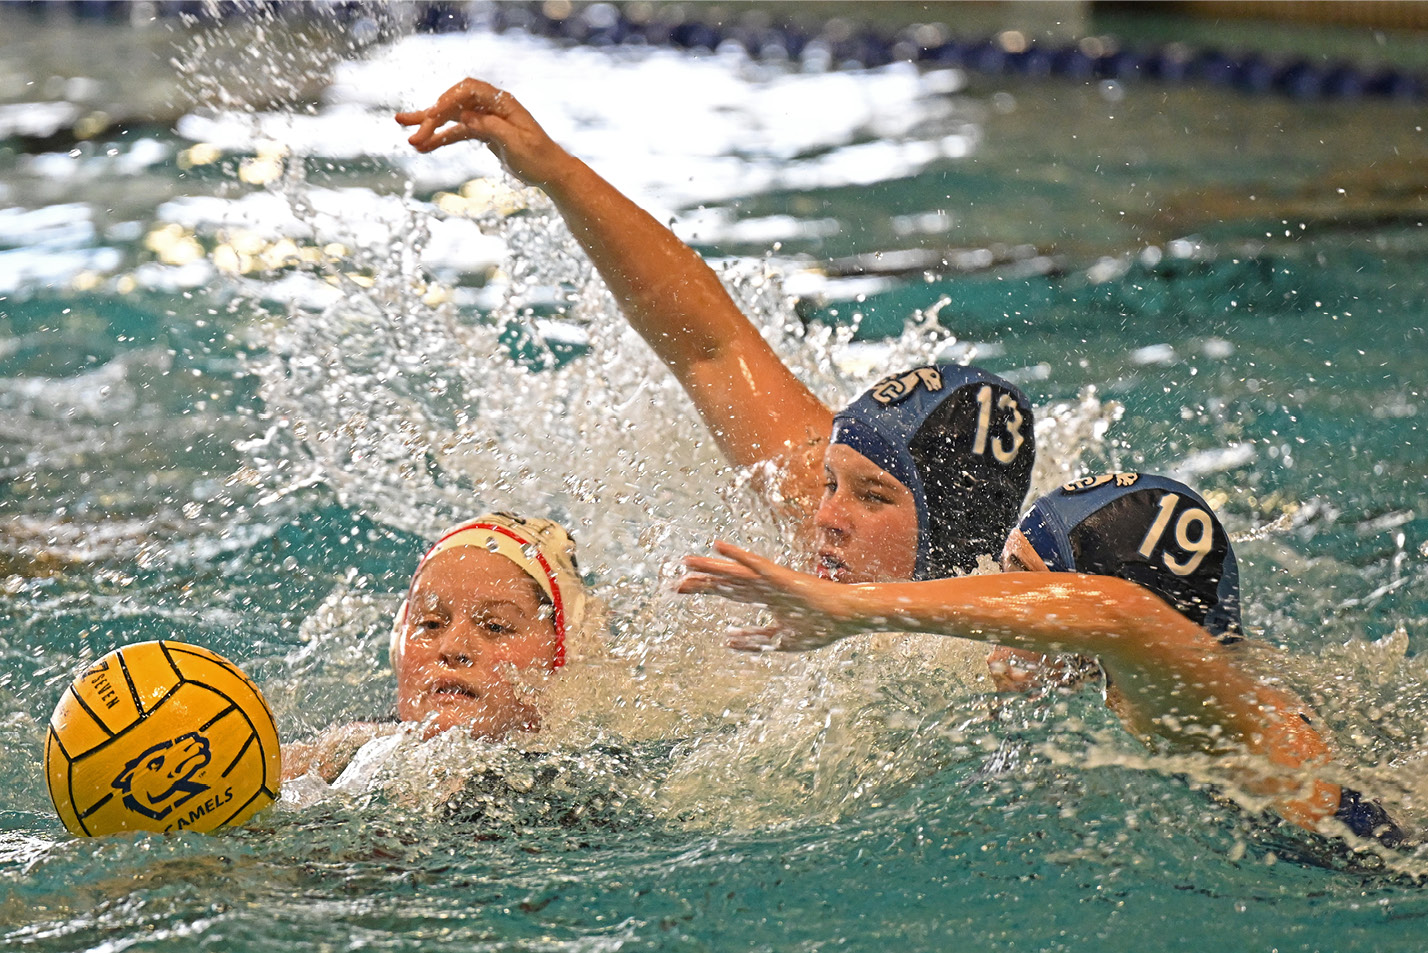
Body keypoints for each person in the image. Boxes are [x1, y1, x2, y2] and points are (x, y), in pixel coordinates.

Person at [395, 79, 1035, 583]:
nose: (824, 518)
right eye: (832, 480)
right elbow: (712, 346)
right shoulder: (812, 503)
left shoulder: (997, 648)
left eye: (872, 498)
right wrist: (553, 170)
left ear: (952, 535)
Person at [676, 471, 1404, 845]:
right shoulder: (1204, 678)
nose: (1000, 609)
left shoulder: (1189, 703)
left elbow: (1121, 616)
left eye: (1027, 588)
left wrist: (846, 609)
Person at [283, 512, 588, 782]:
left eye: (495, 626)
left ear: (561, 655)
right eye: (430, 624)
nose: (453, 648)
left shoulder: (591, 779)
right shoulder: (342, 757)